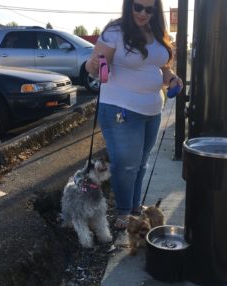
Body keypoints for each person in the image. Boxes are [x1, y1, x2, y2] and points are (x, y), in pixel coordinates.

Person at [85, 0, 183, 229]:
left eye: (149, 9)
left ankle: (135, 207)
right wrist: (96, 64)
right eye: (138, 6)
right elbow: (95, 64)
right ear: (129, 5)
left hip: (151, 110)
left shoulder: (156, 31)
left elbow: (161, 67)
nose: (142, 13)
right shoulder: (115, 30)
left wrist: (171, 79)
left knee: (141, 163)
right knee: (126, 165)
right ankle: (123, 213)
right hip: (121, 110)